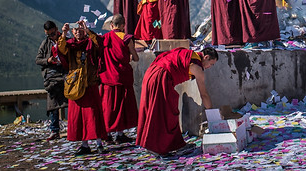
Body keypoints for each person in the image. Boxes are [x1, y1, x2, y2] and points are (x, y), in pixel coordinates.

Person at [136, 47, 218, 156]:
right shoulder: (197, 67)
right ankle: (157, 147)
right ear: (206, 57)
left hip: (151, 74)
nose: (209, 67)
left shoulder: (190, 54)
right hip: (161, 77)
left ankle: (167, 144)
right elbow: (204, 94)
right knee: (165, 112)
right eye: (211, 64)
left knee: (156, 109)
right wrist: (213, 116)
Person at [58, 20, 107, 156]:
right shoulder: (70, 44)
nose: (78, 32)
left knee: (94, 114)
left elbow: (99, 43)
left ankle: (99, 143)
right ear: (72, 32)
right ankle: (84, 144)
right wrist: (63, 33)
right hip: (75, 85)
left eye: (81, 30)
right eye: (76, 30)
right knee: (79, 116)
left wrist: (88, 30)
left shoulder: (90, 43)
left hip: (90, 82)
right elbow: (60, 49)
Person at [100, 14, 139, 144]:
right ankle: (120, 134)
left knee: (108, 106)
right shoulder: (127, 38)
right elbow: (135, 57)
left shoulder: (105, 38)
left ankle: (107, 133)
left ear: (111, 25)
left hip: (108, 77)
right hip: (122, 76)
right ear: (123, 26)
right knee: (122, 105)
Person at [35, 21, 68, 141]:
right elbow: (38, 59)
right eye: (49, 35)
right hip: (52, 76)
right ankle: (54, 130)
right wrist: (48, 60)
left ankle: (75, 127)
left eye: (53, 33)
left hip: (65, 73)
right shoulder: (45, 43)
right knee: (53, 103)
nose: (52, 36)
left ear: (57, 29)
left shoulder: (65, 40)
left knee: (73, 100)